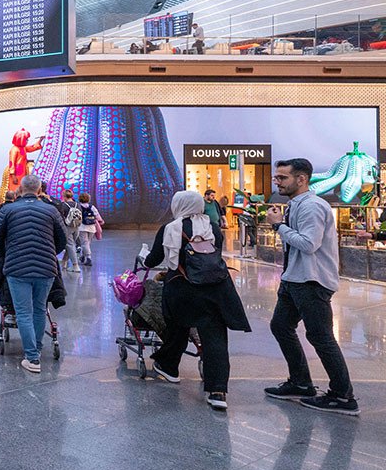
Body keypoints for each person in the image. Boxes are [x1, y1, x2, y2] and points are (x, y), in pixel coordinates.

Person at [263, 158, 359, 415]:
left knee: (320, 337)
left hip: (311, 280)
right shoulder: (296, 205)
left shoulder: (312, 207)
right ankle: (301, 383)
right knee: (281, 326)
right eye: (277, 177)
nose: (277, 182)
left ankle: (342, 396)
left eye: (283, 178)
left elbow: (308, 244)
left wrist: (278, 225)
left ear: (301, 179)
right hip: (294, 278)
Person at [142, 190, 251, 410]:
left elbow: (153, 260)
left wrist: (144, 256)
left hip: (183, 289)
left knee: (177, 327)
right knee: (215, 338)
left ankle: (169, 367)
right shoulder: (212, 227)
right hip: (216, 289)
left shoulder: (170, 228)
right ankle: (218, 391)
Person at [0, 175, 66, 374]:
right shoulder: (51, 210)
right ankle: (37, 351)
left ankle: (32, 358)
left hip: (17, 268)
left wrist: (8, 254)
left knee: (23, 312)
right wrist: (50, 253)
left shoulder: (8, 210)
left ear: (20, 189)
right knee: (40, 310)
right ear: (39, 189)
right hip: (46, 268)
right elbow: (62, 239)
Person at [75, 192, 103, 266]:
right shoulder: (92, 207)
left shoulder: (78, 207)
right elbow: (97, 216)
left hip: (82, 227)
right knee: (87, 243)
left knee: (84, 243)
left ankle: (88, 258)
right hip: (92, 228)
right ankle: (84, 257)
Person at [59, 189, 83, 272]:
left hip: (67, 227)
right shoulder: (78, 205)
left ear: (64, 196)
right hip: (76, 227)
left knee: (70, 245)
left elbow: (61, 217)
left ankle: (75, 265)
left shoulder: (63, 205)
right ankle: (64, 261)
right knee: (71, 245)